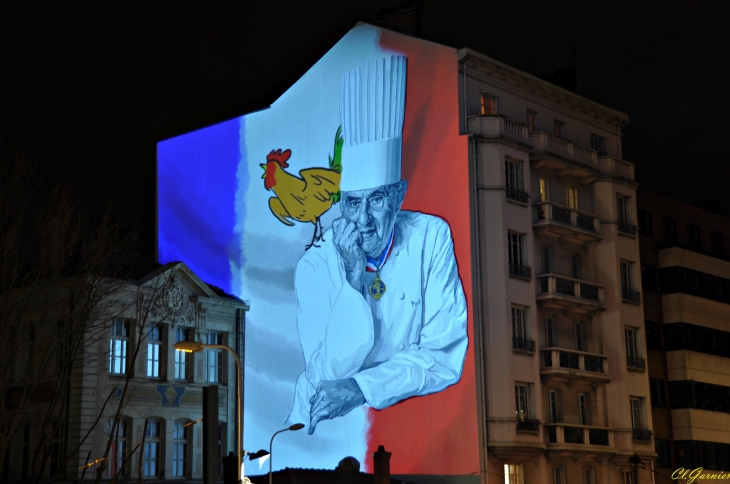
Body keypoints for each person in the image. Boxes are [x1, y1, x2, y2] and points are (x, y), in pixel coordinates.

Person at [285, 55, 468, 434]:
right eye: (353, 202)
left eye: (377, 200)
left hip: (403, 431)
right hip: (318, 433)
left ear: (399, 195)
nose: (364, 219)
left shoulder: (431, 237)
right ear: (340, 203)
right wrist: (352, 284)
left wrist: (361, 387)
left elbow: (444, 355)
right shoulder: (314, 267)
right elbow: (327, 372)